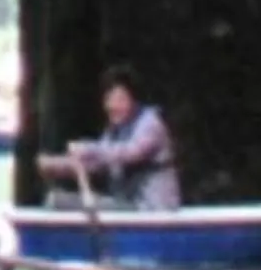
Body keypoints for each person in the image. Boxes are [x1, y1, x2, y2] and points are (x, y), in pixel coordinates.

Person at [38, 63, 181, 210]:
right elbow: (98, 163)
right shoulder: (113, 131)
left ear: (133, 100)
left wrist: (87, 148)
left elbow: (130, 152)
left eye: (119, 100)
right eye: (108, 100)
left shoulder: (150, 123)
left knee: (60, 202)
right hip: (127, 205)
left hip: (152, 207)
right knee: (56, 199)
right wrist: (59, 165)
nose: (113, 106)